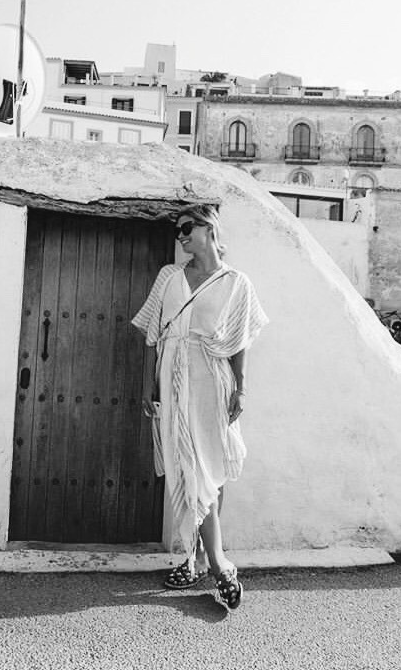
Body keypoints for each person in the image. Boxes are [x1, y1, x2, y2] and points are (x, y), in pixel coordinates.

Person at [131, 205, 268, 609]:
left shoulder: (236, 282)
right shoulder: (169, 277)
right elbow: (152, 334)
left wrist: (241, 388)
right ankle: (217, 564)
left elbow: (240, 341)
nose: (181, 236)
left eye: (187, 227)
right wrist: (148, 383)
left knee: (212, 467)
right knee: (189, 466)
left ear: (210, 228)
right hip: (173, 375)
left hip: (212, 376)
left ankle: (201, 560)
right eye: (177, 230)